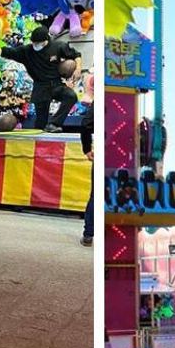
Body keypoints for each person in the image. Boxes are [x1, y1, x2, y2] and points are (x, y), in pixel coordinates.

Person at [0, 27, 81, 132]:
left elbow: (76, 55)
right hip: (40, 86)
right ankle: (40, 137)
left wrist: (78, 68)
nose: (35, 45)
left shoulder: (58, 46)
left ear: (46, 41)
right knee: (41, 121)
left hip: (56, 84)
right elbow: (6, 51)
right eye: (33, 42)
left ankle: (54, 123)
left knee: (71, 96)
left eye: (38, 43)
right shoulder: (27, 51)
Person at [79, 84, 94, 247]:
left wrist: (87, 148)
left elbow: (85, 124)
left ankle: (89, 234)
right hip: (124, 158)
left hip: (102, 156)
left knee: (95, 195)